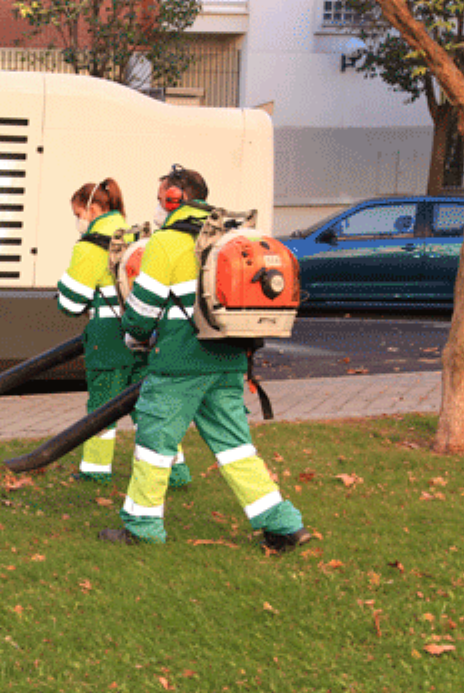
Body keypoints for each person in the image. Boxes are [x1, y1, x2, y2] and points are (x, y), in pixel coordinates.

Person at [100, 165, 311, 551]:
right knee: (235, 446)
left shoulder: (166, 243)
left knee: (154, 443)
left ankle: (143, 528)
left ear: (173, 199)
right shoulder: (227, 237)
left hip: (181, 361)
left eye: (161, 197)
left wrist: (130, 332)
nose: (159, 207)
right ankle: (283, 523)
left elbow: (142, 311)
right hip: (228, 359)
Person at [56, 178, 190, 487]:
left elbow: (71, 302)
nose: (79, 220)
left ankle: (95, 470)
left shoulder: (90, 247)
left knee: (102, 405)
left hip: (107, 336)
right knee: (149, 407)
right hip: (140, 329)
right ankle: (175, 470)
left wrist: (64, 287)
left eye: (79, 213)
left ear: (92, 209)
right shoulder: (136, 236)